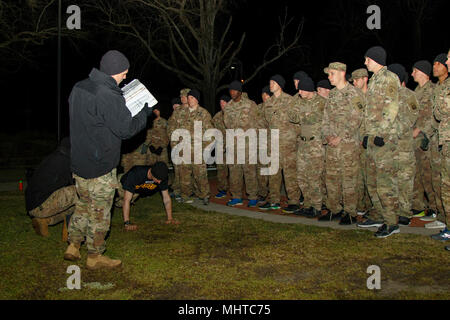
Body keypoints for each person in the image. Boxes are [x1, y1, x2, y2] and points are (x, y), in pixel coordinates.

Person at [64, 49, 151, 270]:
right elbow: (126, 129)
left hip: (79, 162)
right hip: (99, 165)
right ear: (115, 72)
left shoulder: (80, 87)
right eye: (124, 73)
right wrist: (144, 112)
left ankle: (73, 245)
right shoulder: (107, 94)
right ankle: (95, 256)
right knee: (100, 212)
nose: (125, 77)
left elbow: (96, 117)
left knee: (82, 205)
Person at [361, 46, 401, 238]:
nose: (365, 62)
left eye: (367, 59)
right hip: (372, 139)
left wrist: (382, 134)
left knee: (385, 183)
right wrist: (366, 135)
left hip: (383, 140)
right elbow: (370, 111)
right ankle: (379, 215)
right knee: (373, 181)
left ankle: (392, 222)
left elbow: (392, 107)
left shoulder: (389, 78)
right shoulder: (375, 79)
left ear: (375, 59)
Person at [320, 62, 364, 224]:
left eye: (331, 73)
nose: (329, 77)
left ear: (341, 73)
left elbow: (356, 119)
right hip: (332, 145)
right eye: (329, 74)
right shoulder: (331, 95)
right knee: (331, 179)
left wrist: (340, 136)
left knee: (349, 179)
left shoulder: (354, 94)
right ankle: (334, 209)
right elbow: (325, 119)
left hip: (347, 145)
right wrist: (328, 137)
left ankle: (350, 213)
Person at [260, 75, 301, 213]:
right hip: (273, 145)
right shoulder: (268, 103)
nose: (270, 84)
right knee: (273, 175)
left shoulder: (290, 101)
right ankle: (274, 201)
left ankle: (294, 201)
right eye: (270, 82)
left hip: (288, 145)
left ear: (280, 85)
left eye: (273, 82)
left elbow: (297, 123)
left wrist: (294, 139)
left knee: (290, 175)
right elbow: (265, 123)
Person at [288, 76, 327, 218]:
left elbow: (312, 118)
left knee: (314, 177)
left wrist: (302, 114)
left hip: (315, 144)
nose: (299, 93)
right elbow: (291, 116)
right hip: (303, 143)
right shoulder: (299, 101)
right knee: (301, 177)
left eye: (302, 91)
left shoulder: (321, 103)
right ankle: (308, 204)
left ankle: (317, 206)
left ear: (309, 90)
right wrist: (303, 114)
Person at [26, 137, 76, 241]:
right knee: (81, 192)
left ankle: (45, 221)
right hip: (41, 204)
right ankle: (70, 231)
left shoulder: (55, 157)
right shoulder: (65, 160)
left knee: (71, 203)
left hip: (33, 206)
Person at [411, 60, 441, 219]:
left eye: (414, 71)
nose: (412, 74)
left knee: (431, 176)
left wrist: (421, 130)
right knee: (419, 175)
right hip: (416, 141)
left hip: (428, 141)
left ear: (422, 72)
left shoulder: (433, 90)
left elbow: (435, 116)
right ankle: (421, 206)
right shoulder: (417, 91)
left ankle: (436, 208)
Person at [223, 81, 259, 207]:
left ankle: (253, 197)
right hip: (233, 145)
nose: (232, 92)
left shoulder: (250, 104)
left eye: (234, 90)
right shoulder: (228, 107)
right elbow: (227, 123)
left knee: (249, 172)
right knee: (234, 172)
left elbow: (257, 122)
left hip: (248, 145)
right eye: (230, 90)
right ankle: (236, 196)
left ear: (240, 91)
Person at [117, 162, 179, 231]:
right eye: (157, 179)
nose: (159, 182)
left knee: (125, 202)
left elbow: (166, 198)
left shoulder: (161, 176)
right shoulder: (136, 173)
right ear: (151, 173)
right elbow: (127, 200)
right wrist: (127, 223)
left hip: (136, 191)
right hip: (120, 186)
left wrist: (170, 218)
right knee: (118, 201)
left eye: (161, 180)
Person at [177, 89, 213, 204]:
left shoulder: (203, 113)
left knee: (200, 175)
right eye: (188, 97)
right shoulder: (182, 113)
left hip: (198, 151)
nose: (189, 100)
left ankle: (205, 195)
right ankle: (185, 195)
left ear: (197, 99)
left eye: (192, 97)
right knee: (185, 175)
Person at [432, 49, 450, 247]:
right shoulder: (442, 86)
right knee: (445, 186)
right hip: (445, 140)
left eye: (446, 60)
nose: (446, 61)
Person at [168, 89, 190, 201]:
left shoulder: (194, 110)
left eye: (184, 96)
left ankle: (188, 191)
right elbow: (171, 127)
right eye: (181, 96)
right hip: (178, 145)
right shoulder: (177, 111)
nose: (182, 98)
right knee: (177, 169)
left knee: (189, 171)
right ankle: (177, 190)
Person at [213, 95, 231, 198]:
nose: (222, 104)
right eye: (221, 102)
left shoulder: (234, 115)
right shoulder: (217, 117)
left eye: (224, 102)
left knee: (235, 172)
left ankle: (235, 192)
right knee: (221, 171)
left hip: (232, 148)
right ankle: (222, 189)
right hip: (221, 149)